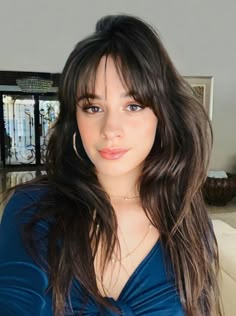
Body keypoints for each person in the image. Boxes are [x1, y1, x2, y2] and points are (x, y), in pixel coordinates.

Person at [0, 15, 222, 316]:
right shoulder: (31, 209)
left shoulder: (187, 222)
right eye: (93, 107)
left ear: (162, 114)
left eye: (133, 106)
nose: (110, 128)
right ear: (75, 120)